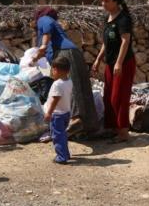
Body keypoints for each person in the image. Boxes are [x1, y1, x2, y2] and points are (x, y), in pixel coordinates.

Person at [32, 7, 100, 135]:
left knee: (71, 84)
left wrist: (43, 46)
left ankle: (75, 118)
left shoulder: (44, 18)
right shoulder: (52, 27)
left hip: (65, 54)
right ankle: (90, 126)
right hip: (73, 53)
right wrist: (36, 58)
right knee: (83, 86)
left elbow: (47, 26)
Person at [92, 0, 136, 144]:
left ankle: (123, 132)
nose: (103, 3)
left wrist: (119, 63)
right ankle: (111, 128)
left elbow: (125, 41)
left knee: (119, 97)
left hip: (123, 64)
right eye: (102, 0)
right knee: (109, 96)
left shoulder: (123, 19)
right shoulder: (108, 18)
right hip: (111, 63)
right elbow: (106, 42)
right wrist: (98, 59)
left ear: (116, 1)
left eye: (107, 0)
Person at [45, 56, 74, 164]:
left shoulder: (57, 84)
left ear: (56, 69)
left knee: (57, 136)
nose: (52, 72)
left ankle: (61, 157)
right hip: (66, 112)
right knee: (63, 135)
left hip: (57, 115)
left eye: (52, 69)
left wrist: (49, 112)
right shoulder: (69, 81)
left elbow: (55, 99)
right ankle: (66, 154)